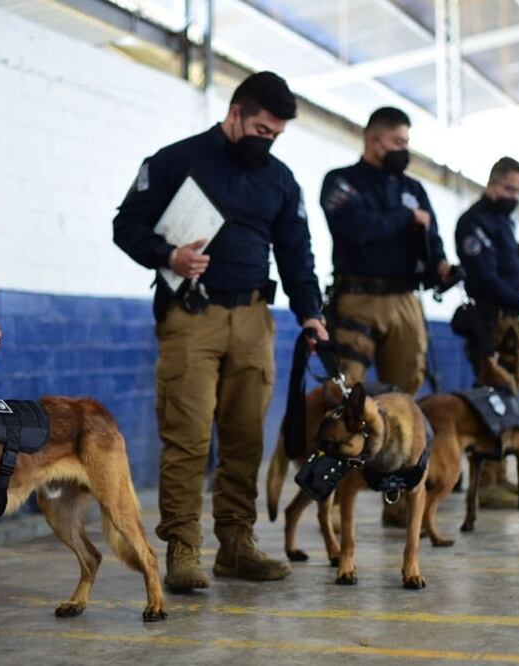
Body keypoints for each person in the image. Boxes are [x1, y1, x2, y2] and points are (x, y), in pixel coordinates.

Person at [113, 72, 327, 592]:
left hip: (255, 319)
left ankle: (236, 544)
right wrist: (169, 256)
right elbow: (125, 226)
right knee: (186, 437)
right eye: (260, 129)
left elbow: (296, 252)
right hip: (192, 317)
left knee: (244, 439)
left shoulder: (279, 179)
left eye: (276, 134)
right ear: (235, 113)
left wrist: (311, 312)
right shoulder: (175, 160)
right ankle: (184, 547)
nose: (267, 140)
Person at [319, 107, 450, 394]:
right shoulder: (340, 181)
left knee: (404, 394)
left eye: (406, 143)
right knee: (344, 390)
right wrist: (407, 217)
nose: (403, 150)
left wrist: (440, 266)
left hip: (405, 298)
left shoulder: (413, 189)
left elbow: (432, 238)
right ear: (373, 140)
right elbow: (360, 228)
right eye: (397, 143)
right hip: (358, 297)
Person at [454, 157, 519, 508]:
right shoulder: (473, 223)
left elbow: (508, 274)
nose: (514, 195)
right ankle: (486, 483)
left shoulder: (503, 223)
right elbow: (485, 279)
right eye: (509, 188)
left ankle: (498, 476)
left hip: (510, 320)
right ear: (493, 184)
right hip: (489, 320)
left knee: (507, 399)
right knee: (490, 398)